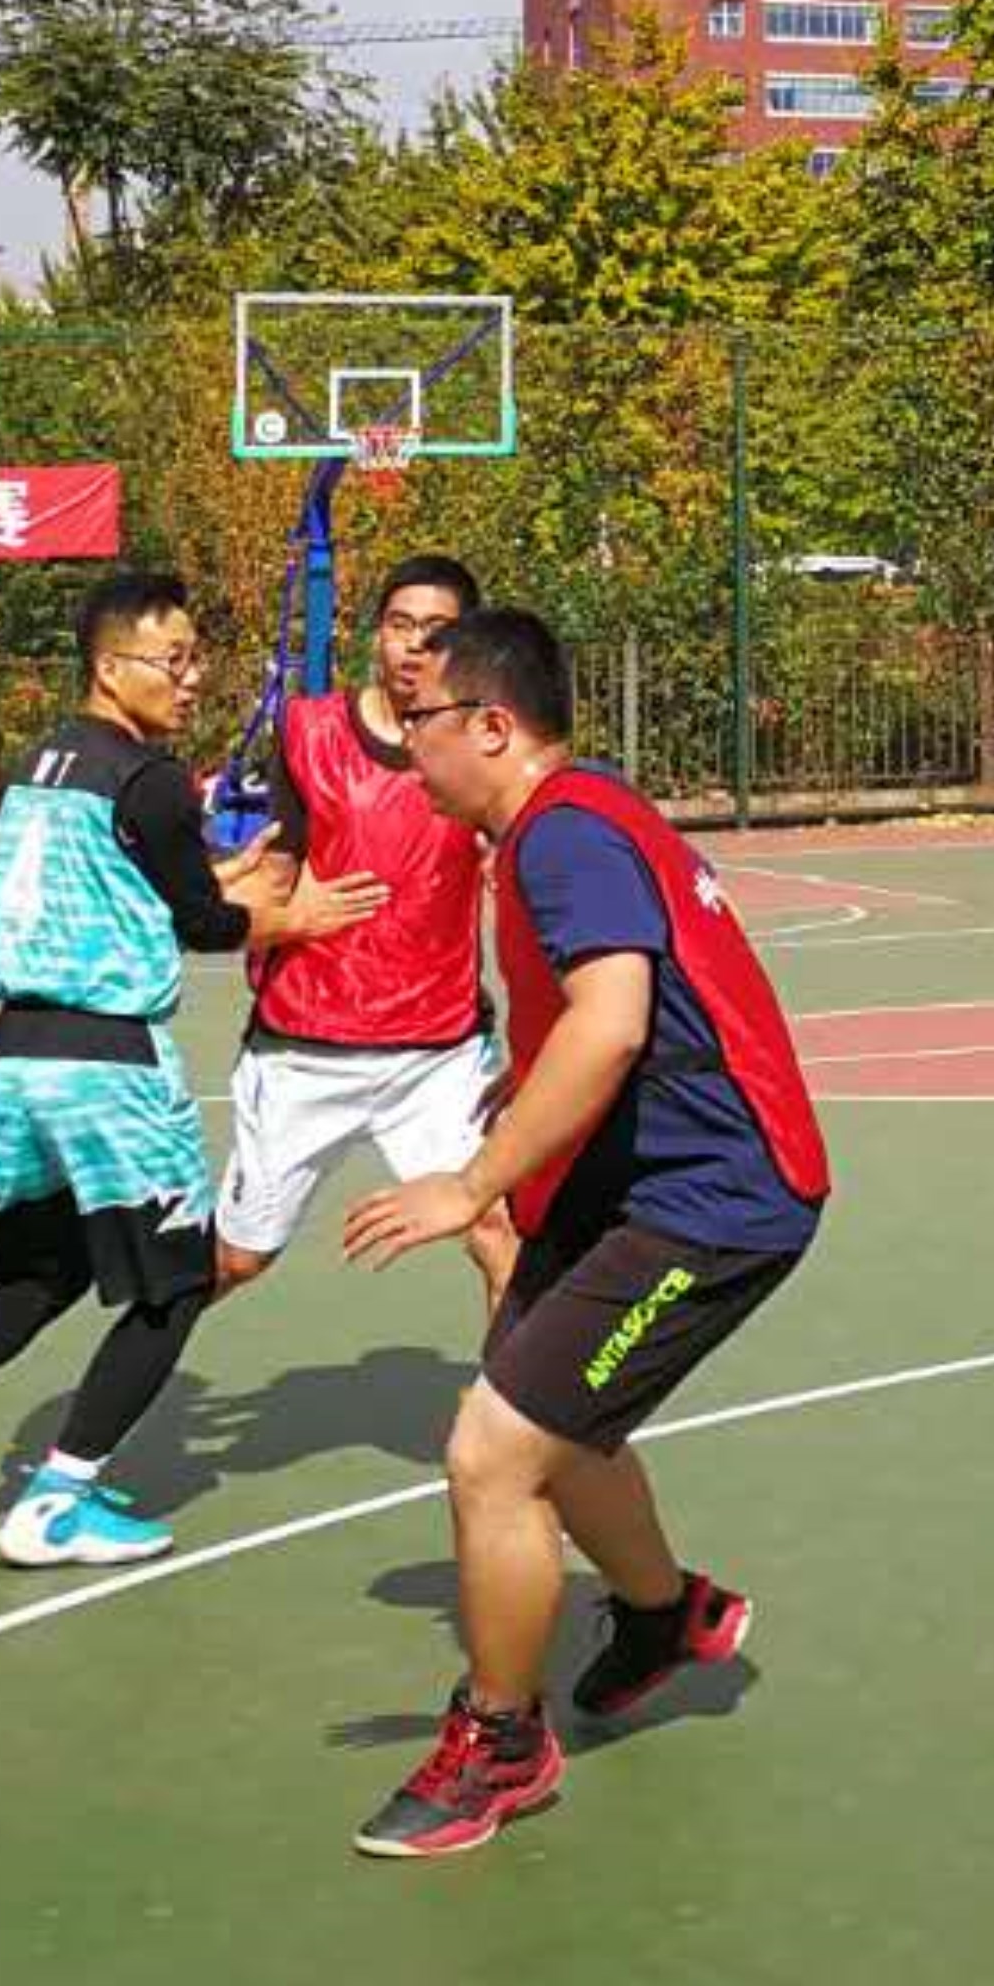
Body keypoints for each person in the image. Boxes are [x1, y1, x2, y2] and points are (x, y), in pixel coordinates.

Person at [338, 607, 828, 1862]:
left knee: (493, 1453)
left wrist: (471, 1181)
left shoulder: (563, 834)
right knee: (545, 1416)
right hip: (627, 1185)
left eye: (421, 719)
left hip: (712, 1203)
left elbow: (612, 1021)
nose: (404, 741)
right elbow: (604, 1020)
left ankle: (503, 1742)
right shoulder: (570, 818)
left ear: (493, 725)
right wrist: (529, 1104)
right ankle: (665, 1619)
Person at [0, 571, 363, 1575]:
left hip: (12, 1059)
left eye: (196, 658)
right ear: (111, 668)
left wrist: (222, 878)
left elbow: (132, 884)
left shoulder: (45, 763)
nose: (191, 678)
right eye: (173, 660)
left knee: (48, 1266)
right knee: (179, 1283)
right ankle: (57, 1503)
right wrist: (293, 916)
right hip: (107, 1062)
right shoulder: (151, 778)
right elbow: (202, 923)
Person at [215, 555, 518, 1316]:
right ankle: (124, 1372)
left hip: (438, 1052)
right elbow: (270, 882)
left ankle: (517, 1398)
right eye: (399, 625)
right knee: (237, 1259)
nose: (413, 645)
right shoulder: (308, 733)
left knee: (500, 1235)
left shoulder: (488, 746)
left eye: (436, 630)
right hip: (307, 1048)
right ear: (376, 634)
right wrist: (283, 915)